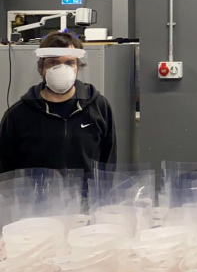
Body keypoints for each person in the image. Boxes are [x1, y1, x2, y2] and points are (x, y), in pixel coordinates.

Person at [0, 31, 117, 174]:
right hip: (37, 196)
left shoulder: (98, 107)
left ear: (78, 67)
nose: (62, 69)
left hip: (88, 196)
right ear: (41, 68)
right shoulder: (18, 115)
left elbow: (108, 163)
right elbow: (5, 170)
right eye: (53, 62)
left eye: (69, 62)